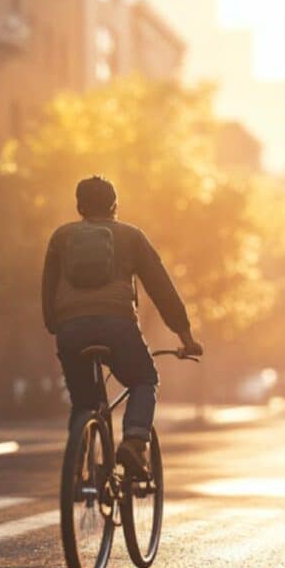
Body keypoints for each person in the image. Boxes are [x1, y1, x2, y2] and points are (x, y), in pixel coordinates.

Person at [41, 176, 203, 474]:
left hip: (71, 329)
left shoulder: (60, 237)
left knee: (83, 401)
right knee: (144, 380)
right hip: (118, 326)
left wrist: (55, 325)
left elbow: (48, 286)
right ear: (115, 206)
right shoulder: (131, 236)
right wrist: (185, 336)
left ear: (79, 206)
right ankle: (134, 442)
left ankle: (78, 466)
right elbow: (161, 288)